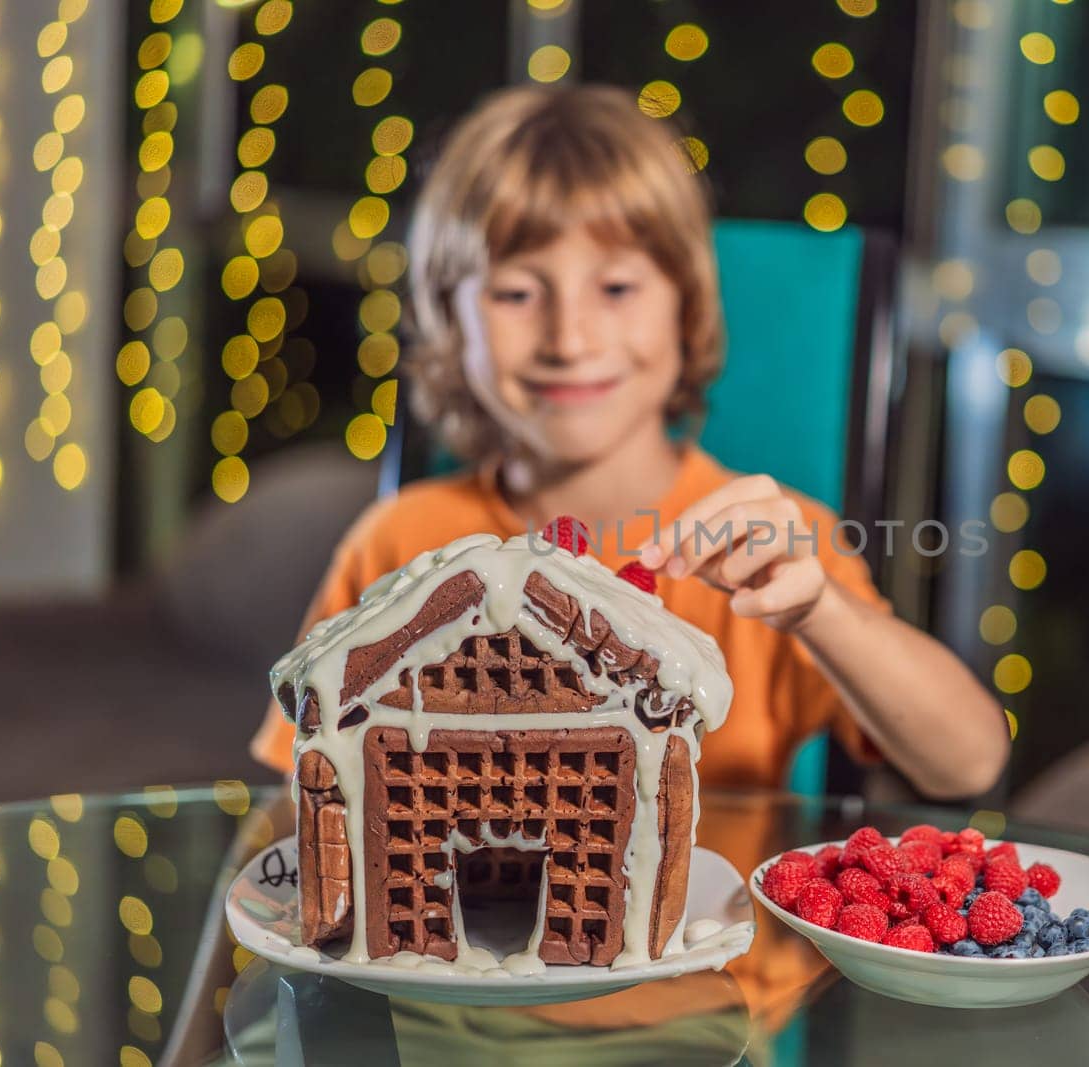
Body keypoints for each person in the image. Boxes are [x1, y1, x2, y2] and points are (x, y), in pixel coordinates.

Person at [248, 83, 1007, 799]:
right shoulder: (398, 541)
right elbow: (298, 797)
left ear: (687, 311)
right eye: (516, 292)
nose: (570, 338)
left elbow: (968, 762)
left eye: (617, 289)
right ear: (451, 324)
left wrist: (821, 613)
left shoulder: (778, 549)